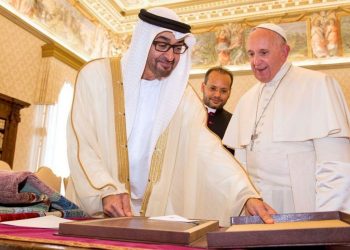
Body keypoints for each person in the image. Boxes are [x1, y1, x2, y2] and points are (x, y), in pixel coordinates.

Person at [66, 8, 276, 227]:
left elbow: (207, 150)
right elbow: (82, 142)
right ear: (143, 41)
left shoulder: (180, 97)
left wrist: (244, 194)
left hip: (153, 213)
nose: (170, 56)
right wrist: (105, 190)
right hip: (99, 207)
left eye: (177, 48)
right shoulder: (96, 77)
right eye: (162, 44)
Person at [223, 23, 350, 214]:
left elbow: (335, 165)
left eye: (263, 52)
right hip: (256, 211)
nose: (255, 62)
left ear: (285, 51)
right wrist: (246, 199)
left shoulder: (317, 85)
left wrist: (327, 222)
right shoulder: (247, 99)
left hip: (303, 208)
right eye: (251, 54)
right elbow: (241, 164)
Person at [202, 66, 233, 140]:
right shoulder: (186, 115)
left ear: (229, 93)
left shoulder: (233, 122)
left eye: (223, 91)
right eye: (213, 88)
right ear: (203, 87)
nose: (217, 95)